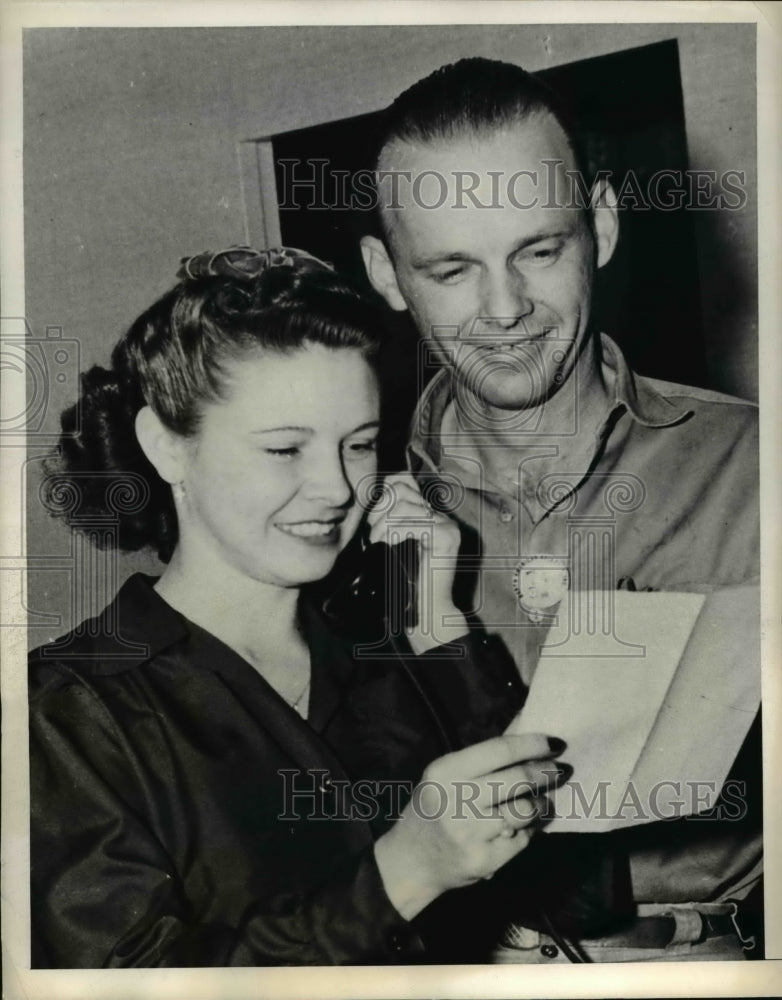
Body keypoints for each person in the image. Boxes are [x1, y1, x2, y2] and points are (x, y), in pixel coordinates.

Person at [29, 246, 568, 968]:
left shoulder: (385, 659)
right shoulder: (68, 708)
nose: (337, 489)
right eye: (285, 449)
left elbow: (565, 885)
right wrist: (403, 872)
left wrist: (438, 623)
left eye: (360, 445)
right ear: (166, 448)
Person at [360, 58, 761, 962]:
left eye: (539, 251)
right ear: (389, 275)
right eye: (452, 268)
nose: (505, 309)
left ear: (603, 226)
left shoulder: (753, 466)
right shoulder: (342, 517)